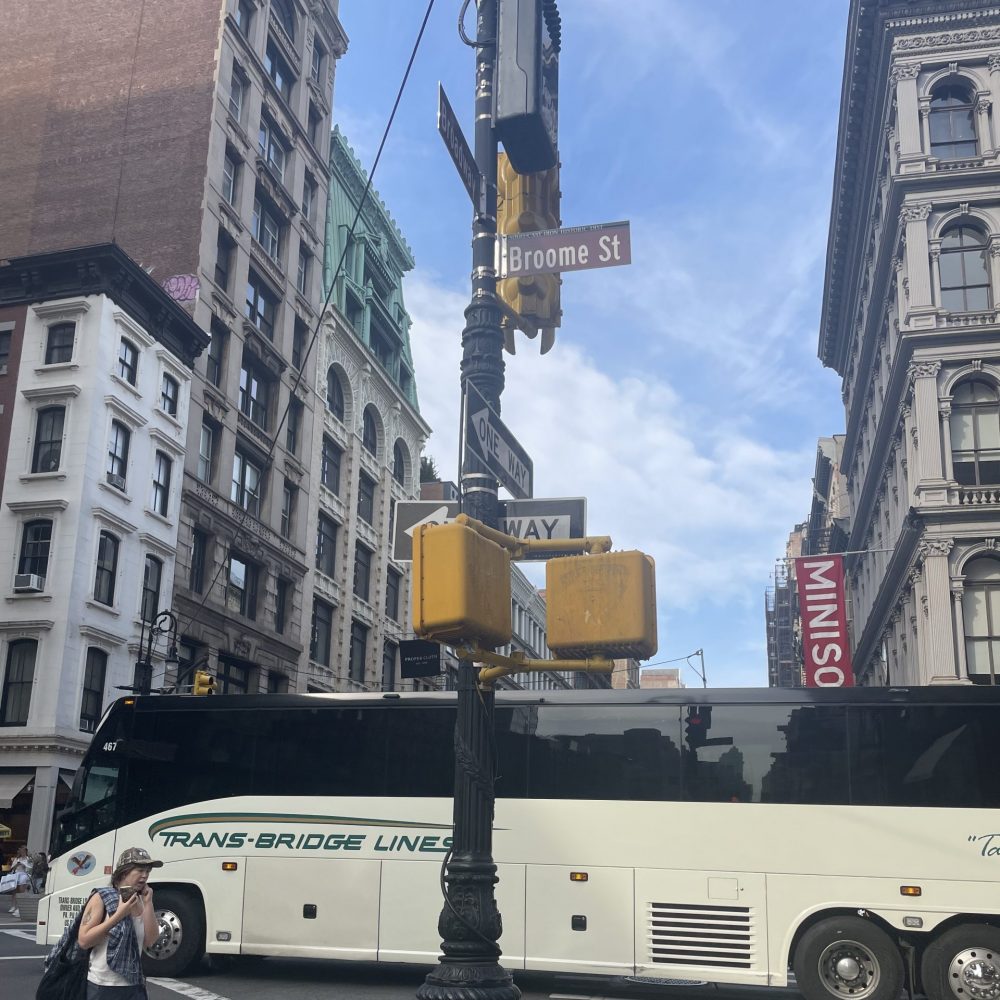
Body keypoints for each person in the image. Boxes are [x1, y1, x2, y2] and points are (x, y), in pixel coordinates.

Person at [77, 847, 163, 999]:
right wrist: (118, 915)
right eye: (140, 870)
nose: (145, 876)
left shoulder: (141, 900)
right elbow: (84, 941)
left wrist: (148, 903)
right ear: (124, 872)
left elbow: (150, 941)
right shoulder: (101, 898)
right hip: (102, 986)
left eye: (148, 871)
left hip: (134, 985)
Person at [6, 845, 31, 919]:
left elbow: (30, 867)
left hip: (24, 875)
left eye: (23, 850)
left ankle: (19, 907)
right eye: (20, 850)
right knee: (14, 891)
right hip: (16, 875)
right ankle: (13, 906)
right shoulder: (17, 859)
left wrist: (24, 865)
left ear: (25, 851)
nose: (21, 852)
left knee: (21, 891)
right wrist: (17, 864)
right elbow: (12, 868)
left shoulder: (28, 859)